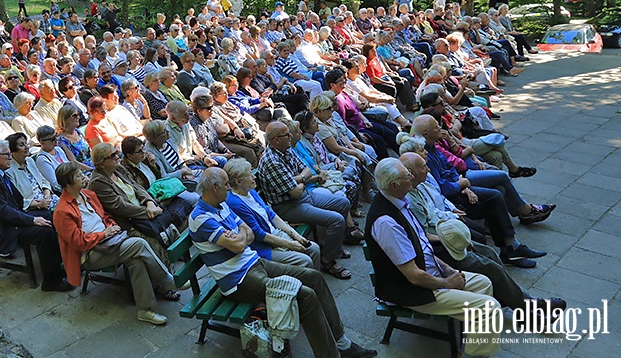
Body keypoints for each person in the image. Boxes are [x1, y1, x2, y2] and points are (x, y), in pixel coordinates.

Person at [190, 167, 376, 358]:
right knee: (305, 295)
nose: (229, 188)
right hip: (237, 280)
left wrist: (237, 237)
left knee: (314, 277)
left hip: (255, 263)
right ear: (214, 187)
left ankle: (342, 344)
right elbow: (239, 245)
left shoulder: (221, 205)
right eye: (226, 185)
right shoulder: (200, 218)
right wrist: (239, 238)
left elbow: (248, 233)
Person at [366, 158, 501, 356]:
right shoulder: (386, 222)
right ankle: (476, 354)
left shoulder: (399, 201)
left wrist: (448, 269)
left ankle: (474, 343)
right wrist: (447, 282)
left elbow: (422, 246)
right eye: (407, 176)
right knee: (490, 307)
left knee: (484, 283)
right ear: (394, 185)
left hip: (429, 276)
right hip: (412, 291)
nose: (412, 177)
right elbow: (413, 276)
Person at [399, 152, 563, 311]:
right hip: (441, 248)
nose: (428, 169)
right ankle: (527, 308)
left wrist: (455, 218)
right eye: (423, 167)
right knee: (489, 265)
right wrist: (456, 240)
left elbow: (438, 203)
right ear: (410, 174)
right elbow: (423, 236)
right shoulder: (407, 201)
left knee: (490, 253)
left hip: (448, 232)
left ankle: (514, 296)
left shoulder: (421, 185)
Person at [53, 161, 182, 324]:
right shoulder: (62, 211)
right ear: (68, 183)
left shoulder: (88, 195)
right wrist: (103, 234)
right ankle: (168, 281)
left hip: (109, 241)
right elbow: (78, 242)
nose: (83, 176)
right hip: (90, 254)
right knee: (138, 244)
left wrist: (111, 226)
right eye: (78, 175)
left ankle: (145, 310)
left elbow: (105, 216)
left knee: (135, 260)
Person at [0, 140, 73, 291]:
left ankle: (61, 265)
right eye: (6, 155)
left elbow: (16, 200)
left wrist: (36, 206)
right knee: (44, 232)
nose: (10, 158)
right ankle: (51, 281)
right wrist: (32, 219)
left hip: (9, 220)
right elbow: (3, 212)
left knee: (53, 216)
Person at [255, 121, 350, 279]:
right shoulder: (272, 161)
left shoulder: (286, 149)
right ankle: (328, 261)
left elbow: (306, 169)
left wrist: (298, 178)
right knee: (336, 220)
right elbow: (295, 192)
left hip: (305, 195)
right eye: (287, 134)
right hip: (288, 207)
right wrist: (302, 179)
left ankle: (331, 247)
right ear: (276, 140)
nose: (291, 136)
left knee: (343, 203)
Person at [224, 158, 321, 270]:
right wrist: (290, 244)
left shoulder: (250, 191)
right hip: (264, 247)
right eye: (250, 175)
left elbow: (271, 214)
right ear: (239, 182)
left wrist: (295, 235)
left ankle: (314, 282)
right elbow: (259, 234)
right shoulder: (234, 203)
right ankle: (305, 284)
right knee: (304, 260)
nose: (254, 177)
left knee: (313, 249)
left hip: (276, 234)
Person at [87, 142, 184, 247]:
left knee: (179, 210)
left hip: (147, 210)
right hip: (131, 221)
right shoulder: (98, 182)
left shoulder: (118, 169)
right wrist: (148, 212)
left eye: (116, 153)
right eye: (112, 156)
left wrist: (150, 203)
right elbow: (120, 207)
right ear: (101, 163)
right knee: (154, 238)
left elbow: (136, 186)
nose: (117, 157)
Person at [5, 132, 58, 212]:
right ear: (13, 151)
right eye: (22, 145)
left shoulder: (29, 161)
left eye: (26, 143)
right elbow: (17, 199)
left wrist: (47, 195)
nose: (27, 147)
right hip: (33, 207)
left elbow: (43, 180)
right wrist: (39, 204)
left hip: (47, 198)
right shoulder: (9, 171)